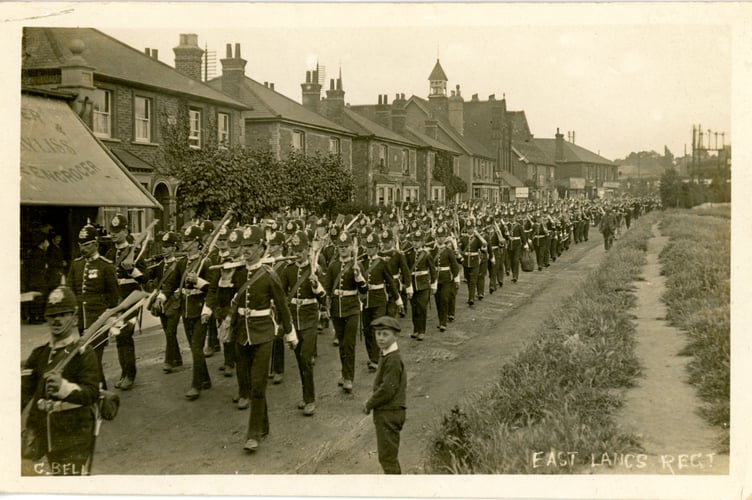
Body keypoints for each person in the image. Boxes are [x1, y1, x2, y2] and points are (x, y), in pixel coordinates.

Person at [224, 224, 297, 452]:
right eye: (243, 246)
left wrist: (290, 333)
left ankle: (253, 434)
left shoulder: (269, 275)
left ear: (262, 248)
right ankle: (263, 426)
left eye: (251, 246)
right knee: (248, 384)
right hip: (241, 335)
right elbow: (231, 303)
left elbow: (283, 307)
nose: (245, 250)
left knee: (257, 385)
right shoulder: (236, 273)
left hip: (264, 334)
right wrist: (228, 324)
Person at [22, 286, 100, 475]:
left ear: (74, 318)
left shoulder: (84, 354)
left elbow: (92, 393)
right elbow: (23, 393)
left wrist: (64, 388)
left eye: (63, 314)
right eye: (52, 315)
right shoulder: (39, 354)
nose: (57, 320)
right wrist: (30, 427)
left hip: (74, 435)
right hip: (44, 433)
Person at [279, 230, 327, 416]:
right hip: (293, 320)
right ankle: (306, 395)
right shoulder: (289, 270)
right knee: (300, 360)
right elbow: (282, 295)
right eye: (294, 249)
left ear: (308, 249)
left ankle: (310, 399)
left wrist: (316, 286)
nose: (297, 253)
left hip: (309, 319)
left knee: (306, 359)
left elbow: (324, 299)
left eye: (300, 250)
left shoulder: (316, 270)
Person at [66, 224, 120, 389]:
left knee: (94, 357)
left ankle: (99, 392)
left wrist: (112, 318)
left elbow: (114, 295)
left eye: (87, 244)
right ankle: (100, 391)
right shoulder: (76, 265)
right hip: (83, 320)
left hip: (99, 319)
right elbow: (70, 291)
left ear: (95, 244)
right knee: (89, 357)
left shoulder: (105, 265)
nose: (83, 248)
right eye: (81, 245)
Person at [104, 214, 147, 391]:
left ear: (125, 231)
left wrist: (132, 270)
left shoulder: (134, 251)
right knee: (119, 337)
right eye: (112, 231)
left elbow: (145, 277)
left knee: (126, 335)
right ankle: (124, 372)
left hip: (131, 300)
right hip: (116, 300)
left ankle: (130, 374)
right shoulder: (109, 253)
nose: (114, 234)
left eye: (118, 231)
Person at [323, 228, 368, 393]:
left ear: (351, 247)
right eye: (340, 246)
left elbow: (364, 290)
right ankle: (344, 373)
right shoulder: (333, 266)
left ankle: (349, 377)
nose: (343, 249)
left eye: (346, 246)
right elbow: (327, 288)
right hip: (337, 309)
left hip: (352, 309)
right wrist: (325, 307)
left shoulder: (358, 265)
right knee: (341, 344)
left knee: (349, 344)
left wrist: (359, 278)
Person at [363, 315, 407, 475]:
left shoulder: (393, 359)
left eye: (385, 334)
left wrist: (369, 403)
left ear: (395, 336)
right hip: (389, 412)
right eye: (378, 334)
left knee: (388, 459)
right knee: (388, 457)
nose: (380, 338)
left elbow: (388, 389)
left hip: (389, 412)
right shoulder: (386, 354)